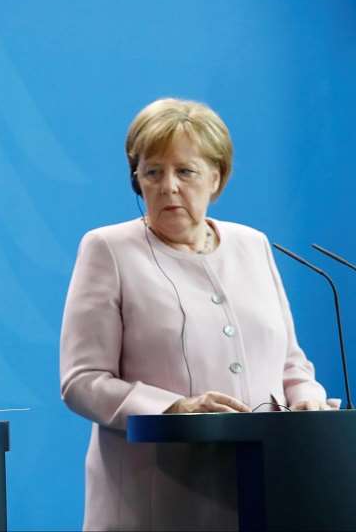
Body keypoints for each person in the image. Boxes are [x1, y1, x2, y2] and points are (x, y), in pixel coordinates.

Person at [59, 98, 333, 530]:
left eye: (185, 171)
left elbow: (290, 362)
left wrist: (308, 397)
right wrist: (174, 407)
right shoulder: (108, 249)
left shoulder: (253, 245)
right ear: (136, 181)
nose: (168, 186)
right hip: (157, 500)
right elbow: (82, 381)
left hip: (264, 490)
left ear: (216, 177)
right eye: (153, 172)